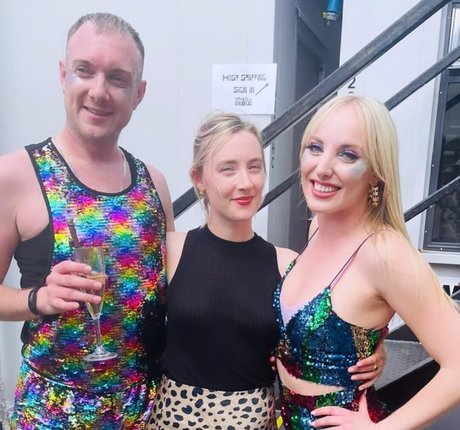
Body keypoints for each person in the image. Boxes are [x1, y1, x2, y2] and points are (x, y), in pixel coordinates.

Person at [146, 112, 385, 430]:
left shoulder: (287, 264)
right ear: (199, 179)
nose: (245, 183)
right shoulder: (171, 250)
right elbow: (130, 326)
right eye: (228, 169)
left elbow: (328, 325)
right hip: (175, 419)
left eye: (254, 167)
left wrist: (373, 347)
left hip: (254, 421)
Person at [0, 13, 174, 430]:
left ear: (139, 93)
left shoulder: (155, 183)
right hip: (51, 413)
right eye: (85, 71)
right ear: (63, 75)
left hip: (146, 410)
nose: (99, 91)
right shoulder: (16, 175)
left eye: (117, 78)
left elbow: (178, 293)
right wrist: (36, 299)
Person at [274, 94, 460, 429]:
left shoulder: (384, 251)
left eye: (348, 154)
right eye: (315, 147)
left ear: (375, 172)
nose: (322, 167)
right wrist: (370, 342)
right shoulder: (318, 227)